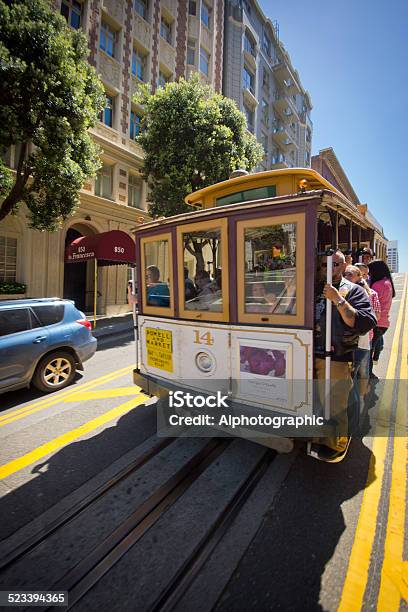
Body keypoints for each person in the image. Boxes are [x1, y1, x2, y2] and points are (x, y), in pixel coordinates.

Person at [312, 250, 377, 461]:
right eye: (324, 265)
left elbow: (365, 322)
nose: (329, 268)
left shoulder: (354, 291)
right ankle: (316, 437)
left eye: (336, 264)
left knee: (334, 402)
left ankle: (334, 444)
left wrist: (337, 299)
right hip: (308, 353)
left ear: (343, 265)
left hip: (336, 355)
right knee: (314, 401)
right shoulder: (312, 290)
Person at [344, 265, 380, 411]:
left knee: (363, 373)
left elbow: (376, 317)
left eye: (351, 274)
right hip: (350, 343)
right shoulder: (343, 292)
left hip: (363, 342)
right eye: (345, 274)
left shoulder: (371, 294)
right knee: (350, 377)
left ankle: (360, 400)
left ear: (360, 277)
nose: (347, 277)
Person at [368, 259, 395, 380]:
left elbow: (371, 302)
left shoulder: (377, 285)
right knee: (375, 346)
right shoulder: (388, 283)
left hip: (376, 322)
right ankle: (373, 366)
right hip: (384, 323)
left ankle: (368, 374)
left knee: (368, 350)